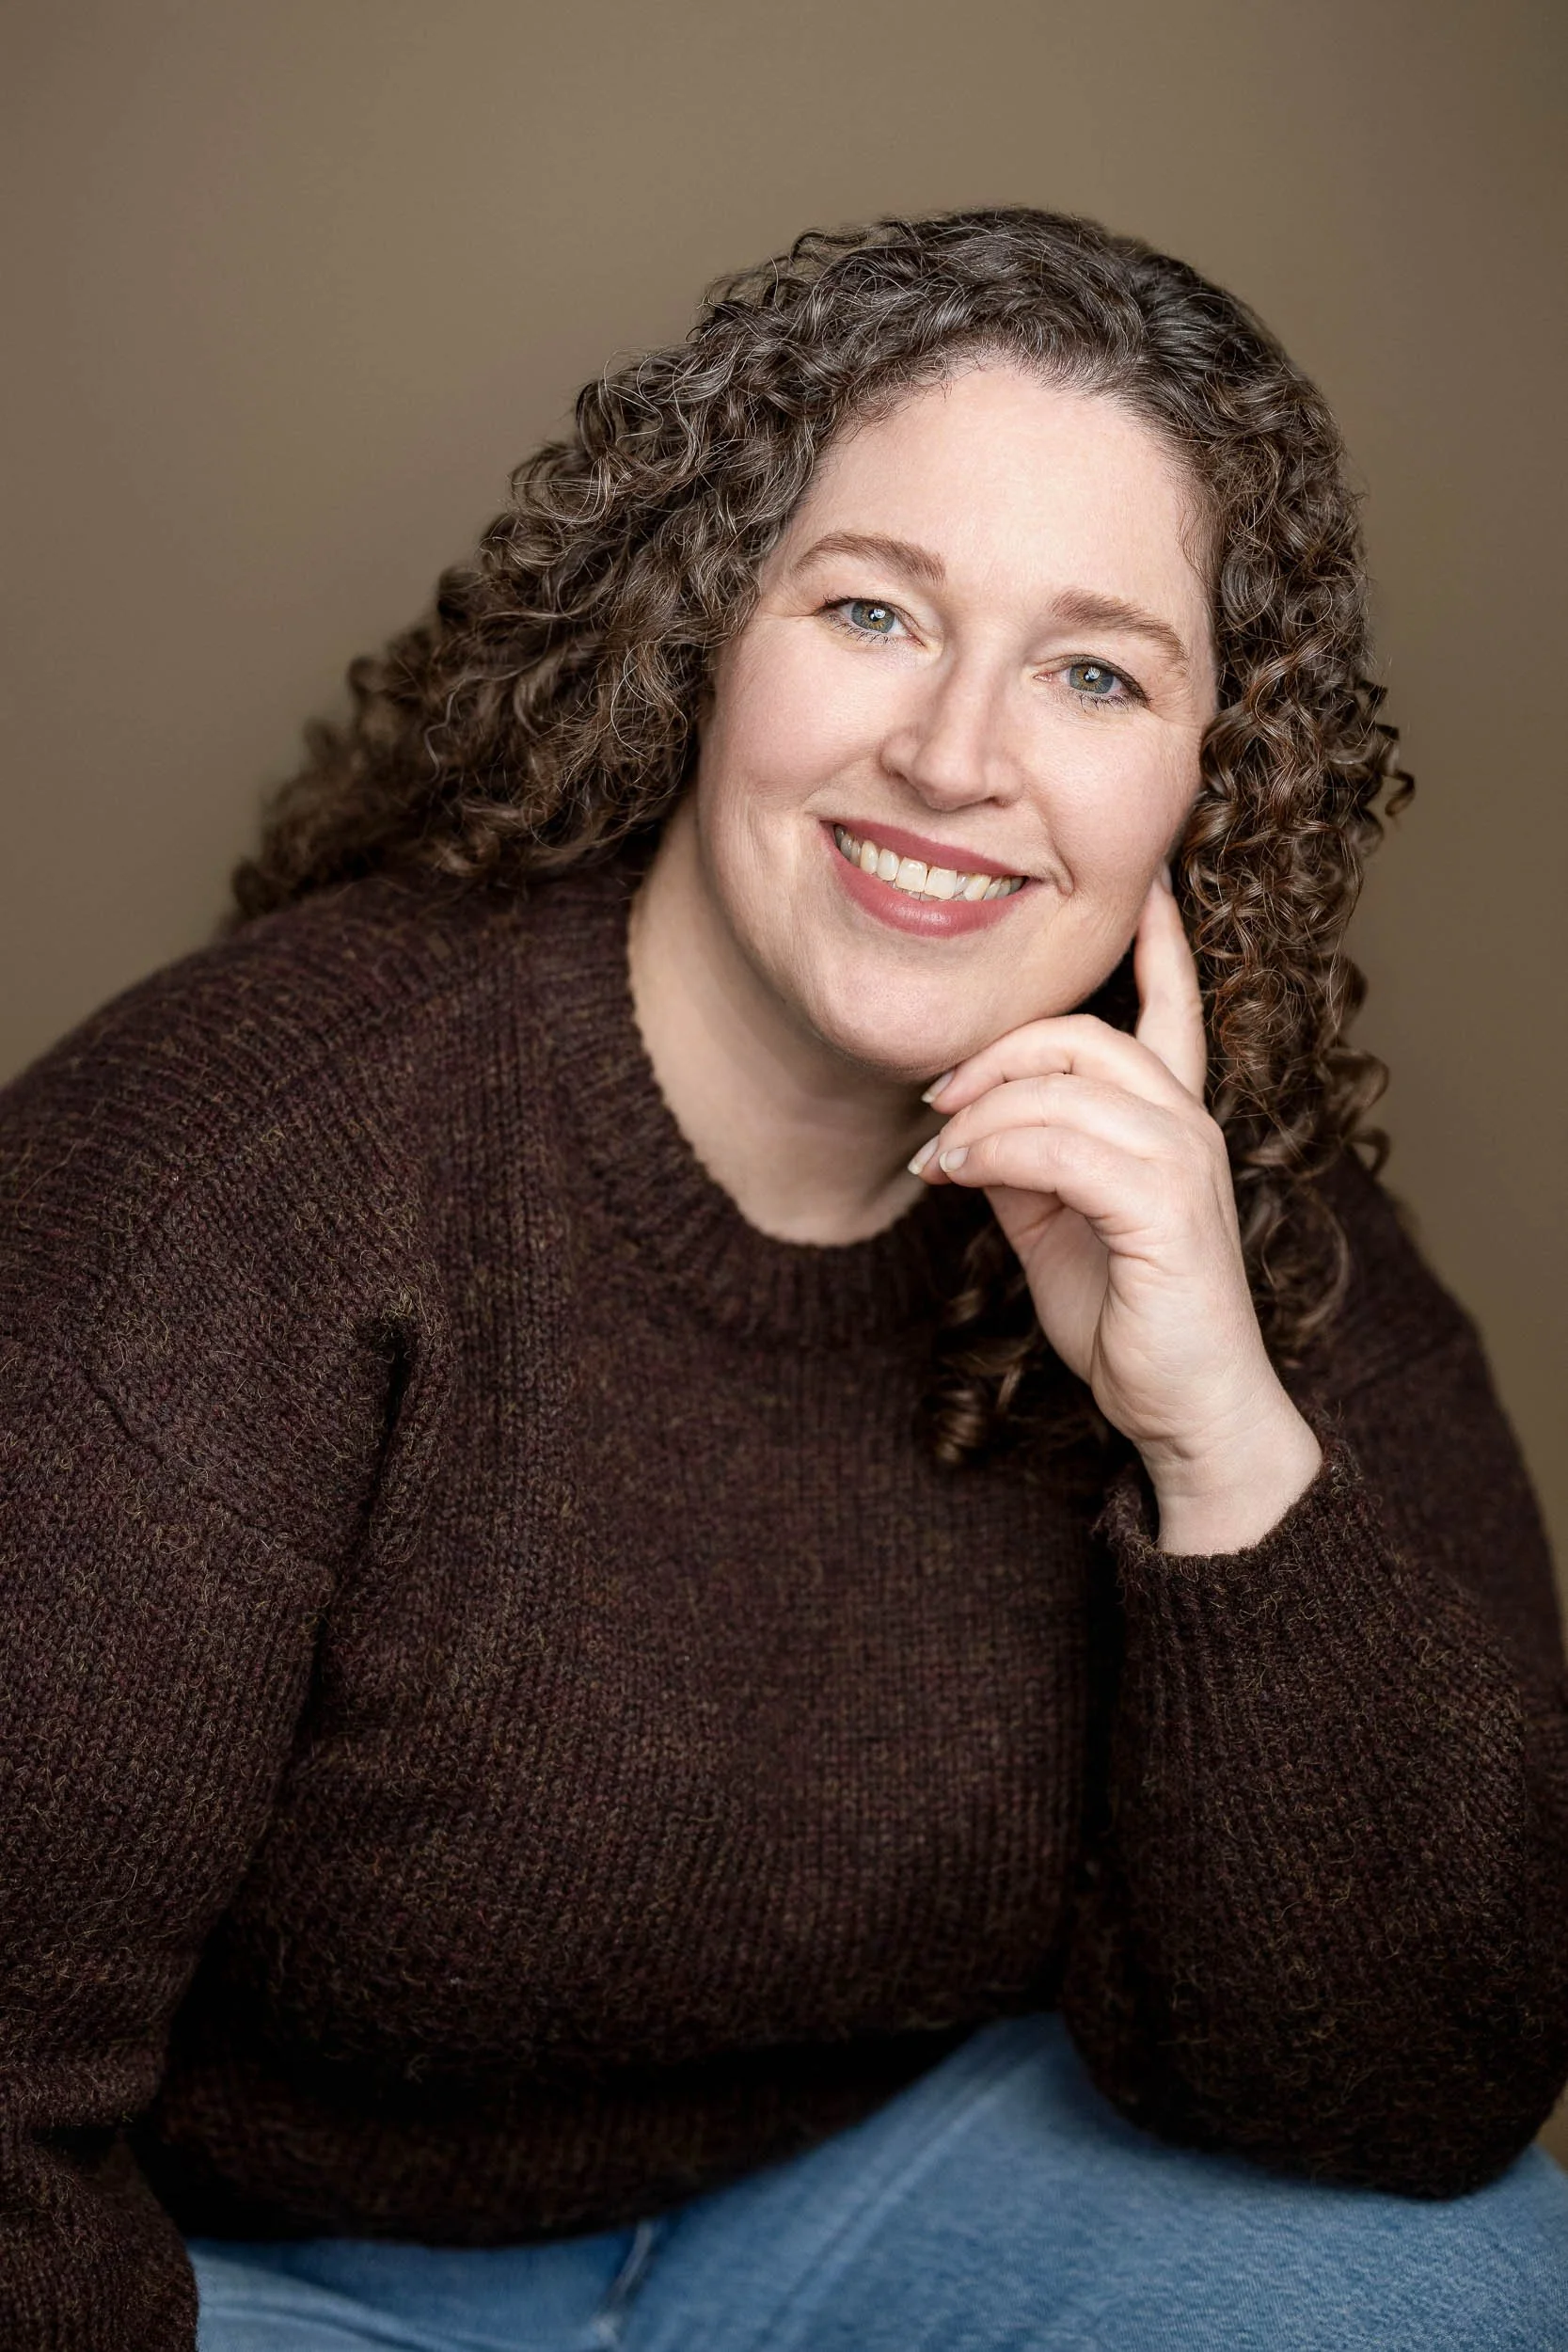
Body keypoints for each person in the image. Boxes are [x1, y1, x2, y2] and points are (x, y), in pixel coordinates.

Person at [2, 208, 1565, 2352]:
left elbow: (1417, 2093)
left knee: (1468, 2285)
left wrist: (1212, 1441)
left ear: (1213, 781)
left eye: (1095, 669)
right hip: (240, 2269)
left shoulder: (1241, 1233)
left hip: (860, 2205)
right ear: (695, 633)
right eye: (868, 610)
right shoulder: (233, 1180)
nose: (952, 754)